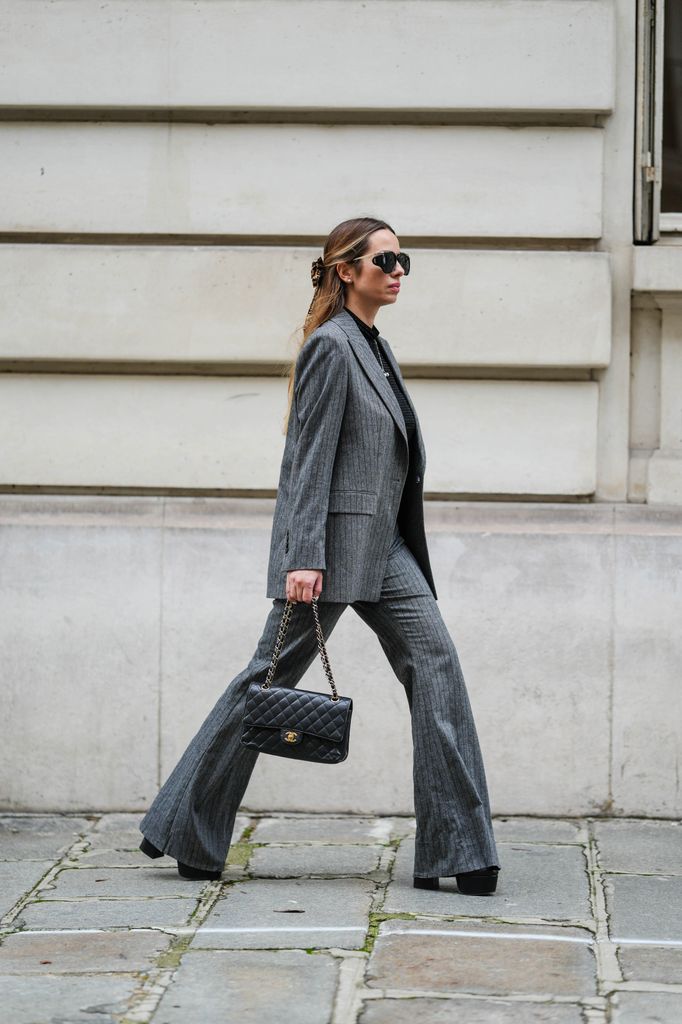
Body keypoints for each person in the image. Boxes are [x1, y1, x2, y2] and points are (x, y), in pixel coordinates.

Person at [138, 216, 501, 895]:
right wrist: (302, 555)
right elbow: (306, 460)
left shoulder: (375, 345)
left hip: (386, 550)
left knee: (437, 664)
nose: (397, 271)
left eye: (404, 260)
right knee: (264, 684)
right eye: (384, 260)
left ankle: (461, 849)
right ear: (346, 270)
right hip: (330, 552)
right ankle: (187, 827)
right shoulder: (332, 347)